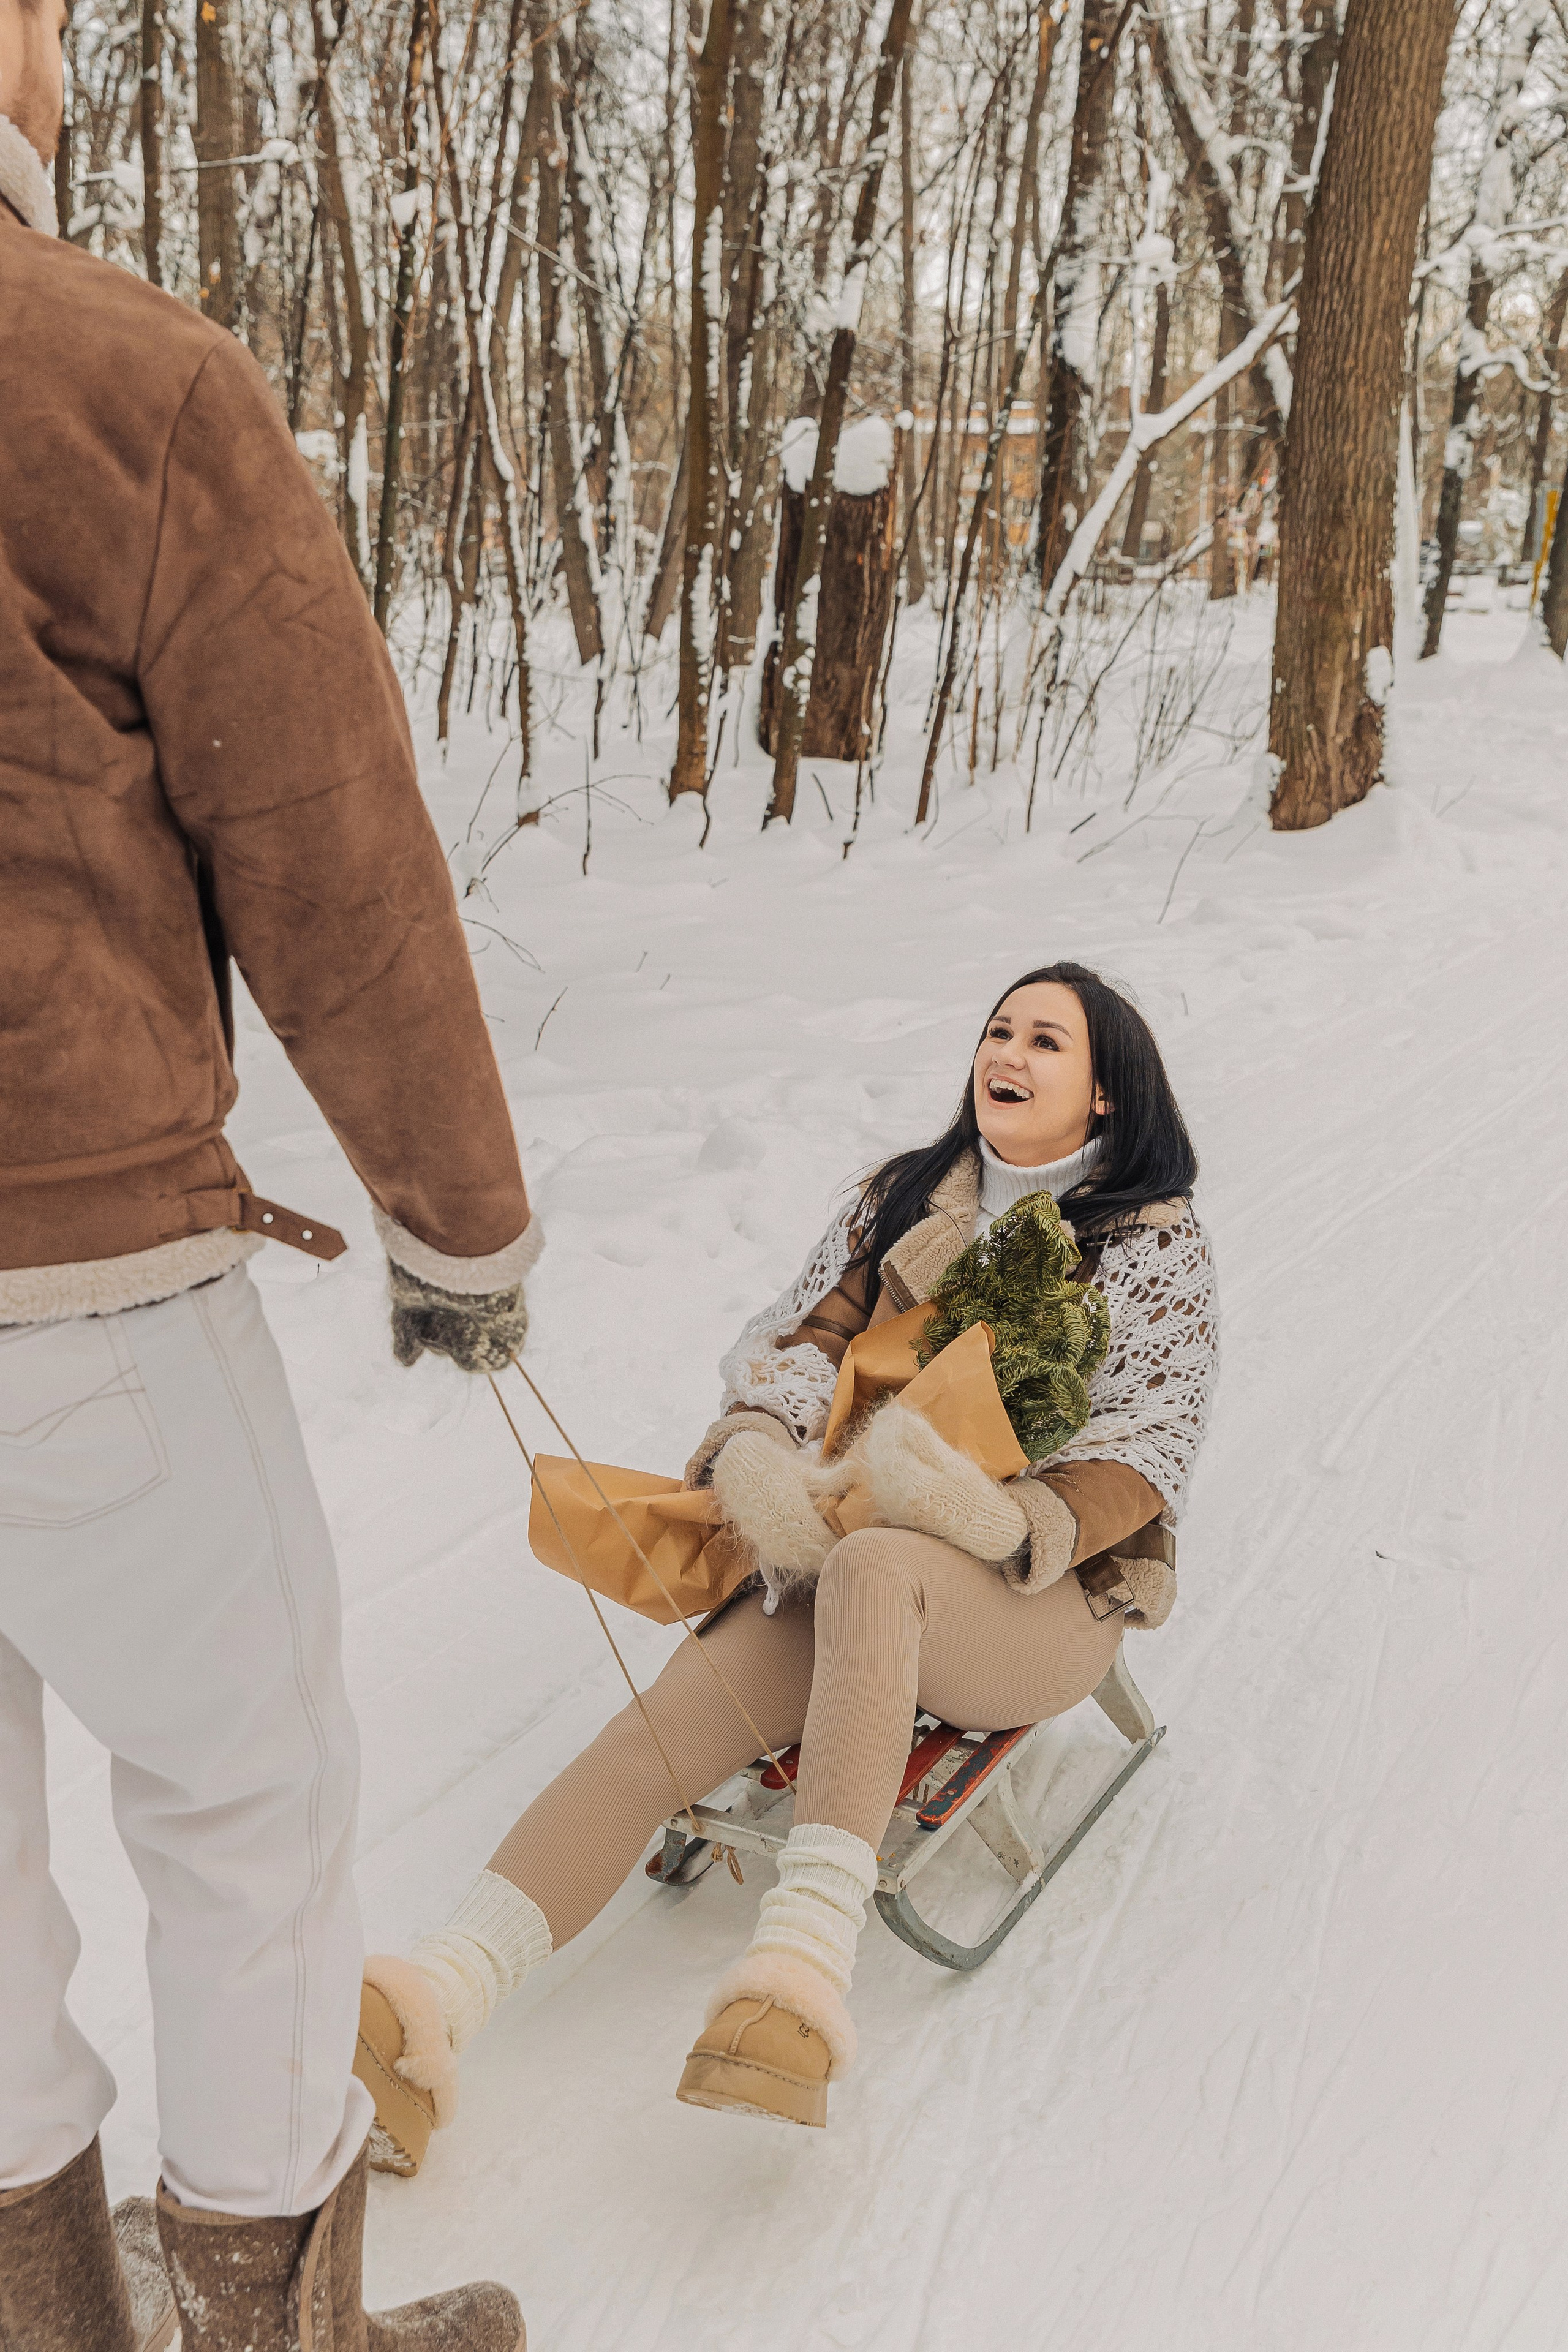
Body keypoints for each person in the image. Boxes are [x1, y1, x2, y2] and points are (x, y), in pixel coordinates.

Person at [1, 10, 532, 2345]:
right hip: (75, 1293)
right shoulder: (112, 379)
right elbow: (329, 852)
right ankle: (269, 2326)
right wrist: (458, 1222)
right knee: (247, 1812)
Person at [355, 963, 1218, 2157]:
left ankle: (799, 1980)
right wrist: (761, 1454)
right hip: (851, 1534)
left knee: (875, 1575)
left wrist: (983, 1514)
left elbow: (1146, 1447)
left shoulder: (1145, 1251)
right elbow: (798, 1339)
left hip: (1037, 1586)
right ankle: (431, 2004)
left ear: (1109, 1093)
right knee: (663, 1728)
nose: (1005, 1053)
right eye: (996, 1030)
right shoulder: (901, 1200)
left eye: (1044, 1040)